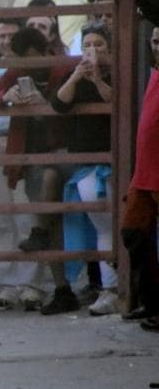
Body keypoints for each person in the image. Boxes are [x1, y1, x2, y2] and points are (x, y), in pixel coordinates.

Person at [0, 26, 80, 314]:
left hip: (64, 151)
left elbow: (68, 110)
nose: (27, 65)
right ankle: (62, 288)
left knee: (49, 221)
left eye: (31, 58)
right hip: (32, 156)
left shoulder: (63, 69)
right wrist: (6, 96)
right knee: (51, 223)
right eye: (21, 60)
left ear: (44, 52)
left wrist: (44, 105)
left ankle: (68, 285)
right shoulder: (17, 73)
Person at [0, 19, 47, 313]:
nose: (4, 41)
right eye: (0, 35)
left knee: (27, 215)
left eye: (10, 36)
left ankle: (31, 286)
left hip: (25, 143)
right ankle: (6, 286)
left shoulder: (30, 68)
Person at [51, 22, 118, 315]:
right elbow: (59, 104)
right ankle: (110, 288)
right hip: (88, 163)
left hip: (115, 158)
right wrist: (78, 76)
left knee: (120, 227)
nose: (92, 51)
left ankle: (120, 288)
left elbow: (116, 100)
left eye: (98, 45)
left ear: (110, 48)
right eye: (87, 45)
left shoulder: (118, 72)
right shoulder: (75, 75)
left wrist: (98, 80)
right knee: (102, 226)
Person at [122, 24, 159, 332]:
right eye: (156, 42)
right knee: (133, 233)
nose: (158, 47)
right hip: (144, 174)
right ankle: (150, 301)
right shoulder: (152, 73)